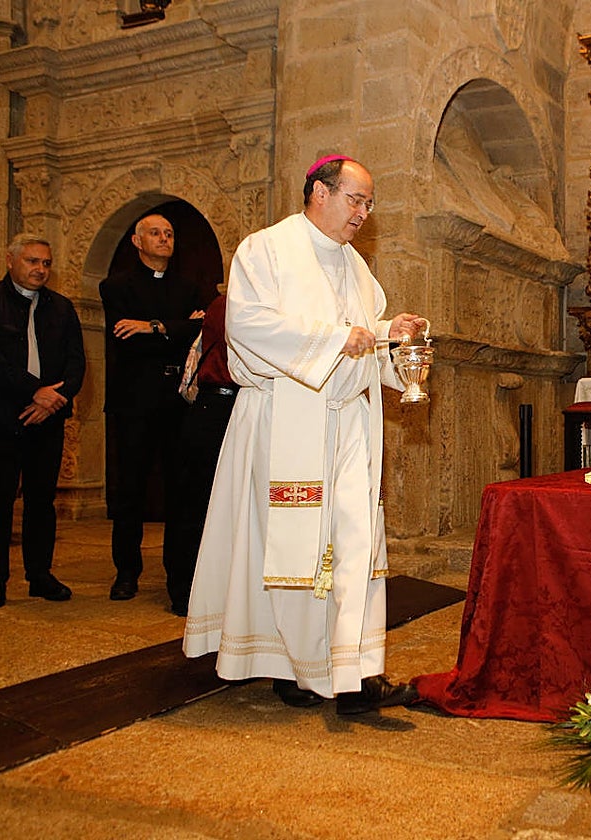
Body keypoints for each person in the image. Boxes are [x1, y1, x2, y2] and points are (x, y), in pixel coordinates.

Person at [183, 155, 427, 715]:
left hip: (348, 425)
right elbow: (248, 326)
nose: (363, 213)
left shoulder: (357, 267)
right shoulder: (266, 249)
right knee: (293, 545)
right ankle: (293, 666)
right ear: (320, 191)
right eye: (355, 199)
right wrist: (337, 339)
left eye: (369, 204)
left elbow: (363, 339)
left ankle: (355, 673)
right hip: (284, 419)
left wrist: (391, 335)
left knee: (356, 542)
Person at [0, 234, 85, 610]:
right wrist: (35, 391)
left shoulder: (61, 308)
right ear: (10, 260)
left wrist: (53, 400)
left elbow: (76, 363)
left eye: (46, 263)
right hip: (1, 418)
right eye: (32, 261)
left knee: (41, 501)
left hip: (47, 419)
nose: (40, 269)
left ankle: (40, 575)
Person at [100, 213, 214, 602]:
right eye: (155, 233)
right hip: (134, 401)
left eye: (169, 233)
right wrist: (176, 327)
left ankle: (179, 578)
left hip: (179, 401)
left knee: (180, 490)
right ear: (137, 241)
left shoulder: (189, 287)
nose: (164, 238)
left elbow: (200, 331)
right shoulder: (115, 286)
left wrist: (152, 326)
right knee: (130, 488)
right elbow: (125, 338)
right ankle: (126, 572)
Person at [162, 293, 235, 616]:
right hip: (218, 406)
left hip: (228, 406)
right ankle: (185, 590)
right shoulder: (232, 303)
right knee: (196, 501)